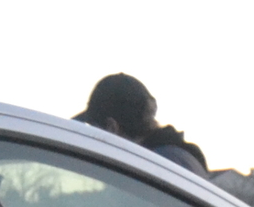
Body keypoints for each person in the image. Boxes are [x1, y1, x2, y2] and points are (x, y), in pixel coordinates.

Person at [74, 73, 208, 174]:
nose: (94, 141)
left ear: (112, 127)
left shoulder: (153, 167)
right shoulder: (171, 158)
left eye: (94, 130)